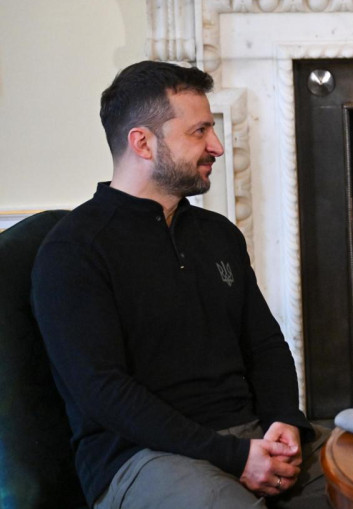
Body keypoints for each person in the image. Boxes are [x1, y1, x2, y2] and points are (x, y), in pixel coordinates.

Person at [32, 61, 329, 508]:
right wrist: (233, 456)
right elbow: (103, 392)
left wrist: (284, 421)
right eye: (199, 132)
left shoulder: (218, 234)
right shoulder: (74, 250)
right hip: (141, 459)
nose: (218, 146)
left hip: (248, 437)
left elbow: (264, 344)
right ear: (143, 143)